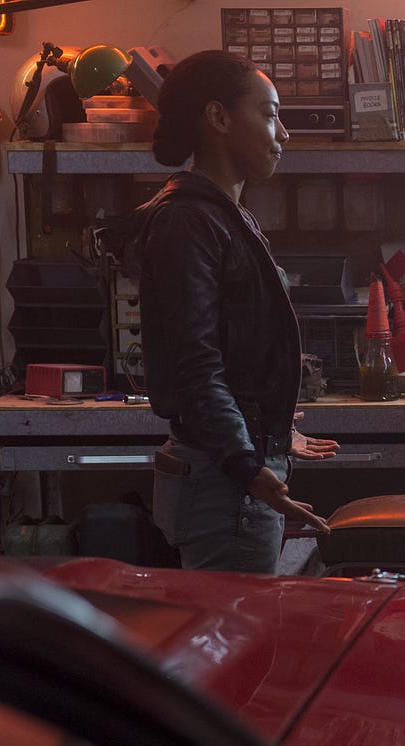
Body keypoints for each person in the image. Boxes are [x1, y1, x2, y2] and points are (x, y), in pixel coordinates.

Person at [136, 50, 338, 574]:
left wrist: (272, 433)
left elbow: (232, 351)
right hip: (225, 486)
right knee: (238, 651)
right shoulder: (188, 222)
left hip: (233, 474)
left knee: (245, 646)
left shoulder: (223, 216)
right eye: (270, 114)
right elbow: (196, 363)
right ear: (219, 118)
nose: (284, 134)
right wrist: (247, 464)